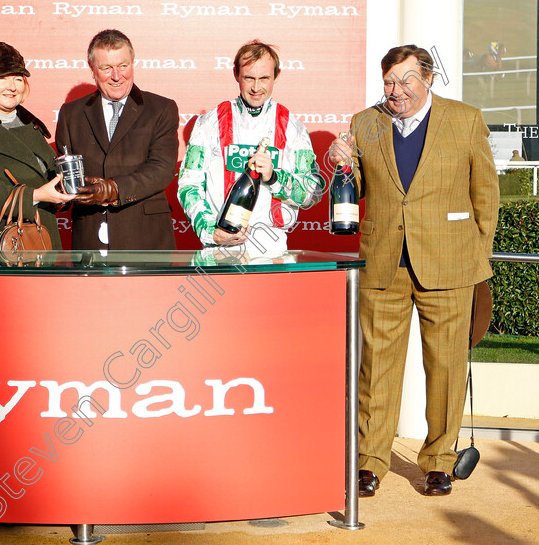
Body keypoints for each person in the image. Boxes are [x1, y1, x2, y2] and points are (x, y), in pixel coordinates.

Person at [329, 45, 499, 497]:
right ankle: (369, 462)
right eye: (389, 81)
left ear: (428, 79)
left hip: (450, 266)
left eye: (406, 80)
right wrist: (340, 162)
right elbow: (358, 187)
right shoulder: (366, 122)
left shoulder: (465, 119)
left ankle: (440, 461)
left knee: (445, 368)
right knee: (375, 370)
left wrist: (474, 259)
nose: (396, 90)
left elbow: (486, 196)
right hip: (384, 263)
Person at [177, 40, 324, 250]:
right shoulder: (209, 122)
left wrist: (275, 178)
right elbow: (189, 184)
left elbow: (312, 193)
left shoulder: (293, 127)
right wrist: (210, 230)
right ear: (236, 75)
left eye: (264, 78)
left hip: (270, 249)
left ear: (276, 76)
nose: (256, 88)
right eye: (249, 78)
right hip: (220, 248)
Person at [55, 29, 179, 250]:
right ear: (92, 70)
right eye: (106, 68)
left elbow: (162, 169)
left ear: (133, 63)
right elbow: (65, 174)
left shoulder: (161, 109)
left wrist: (114, 189)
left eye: (123, 66)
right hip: (90, 238)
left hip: (145, 238)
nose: (116, 75)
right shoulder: (71, 113)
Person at [0, 42, 74, 250]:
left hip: (40, 242)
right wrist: (36, 196)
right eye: (2, 78)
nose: (12, 86)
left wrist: (64, 191)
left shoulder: (33, 127)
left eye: (18, 79)